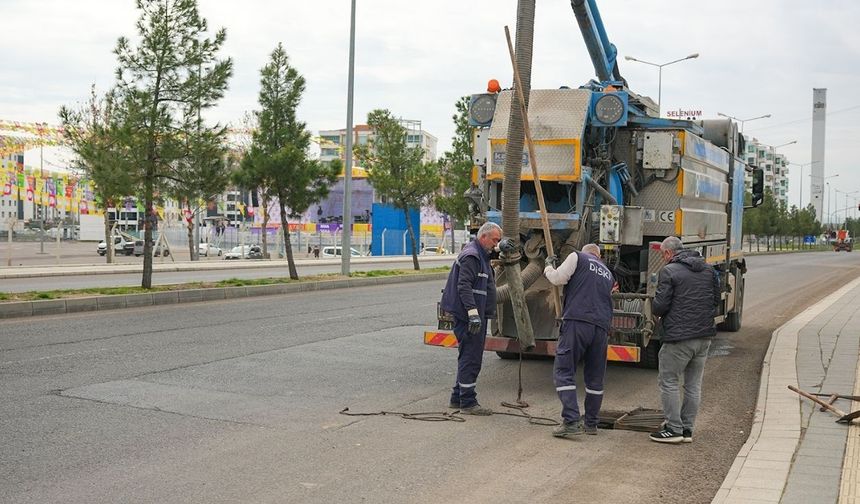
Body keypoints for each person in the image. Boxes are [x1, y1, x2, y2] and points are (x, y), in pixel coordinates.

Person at [649, 236, 720, 444]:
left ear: (669, 253)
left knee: (669, 381)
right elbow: (716, 300)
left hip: (679, 338)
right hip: (704, 336)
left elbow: (659, 307)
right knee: (693, 385)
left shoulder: (669, 271)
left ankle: (673, 428)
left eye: (663, 255)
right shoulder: (708, 270)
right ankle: (687, 429)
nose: (664, 259)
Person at [544, 243, 615, 437]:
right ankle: (591, 424)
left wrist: (548, 266)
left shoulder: (578, 257)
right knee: (595, 377)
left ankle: (571, 421)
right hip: (601, 328)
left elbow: (558, 279)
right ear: (598, 256)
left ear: (587, 253)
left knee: (564, 370)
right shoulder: (609, 274)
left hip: (577, 321)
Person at [440, 221, 508, 415]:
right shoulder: (472, 256)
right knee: (471, 357)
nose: (496, 244)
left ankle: (457, 397)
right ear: (483, 237)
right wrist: (473, 315)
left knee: (467, 355)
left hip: (474, 314)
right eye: (495, 240)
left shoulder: (481, 255)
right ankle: (468, 402)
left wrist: (504, 248)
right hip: (469, 316)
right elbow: (464, 286)